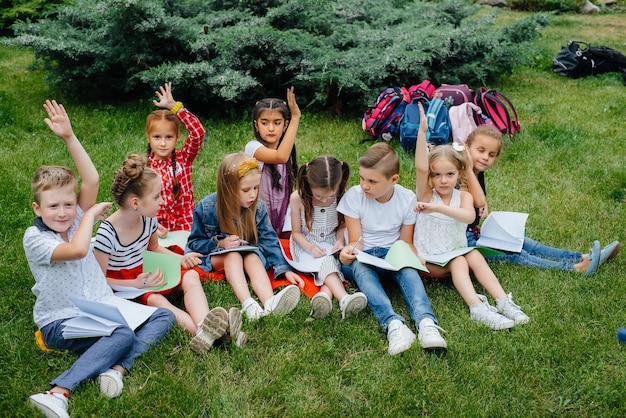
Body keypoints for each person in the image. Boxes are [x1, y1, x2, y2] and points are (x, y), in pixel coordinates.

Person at [25, 100, 175, 418]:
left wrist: (69, 137)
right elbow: (79, 251)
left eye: (69, 204)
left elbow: (90, 179)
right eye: (53, 207)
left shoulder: (74, 217)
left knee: (163, 317)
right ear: (38, 209)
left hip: (101, 307)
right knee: (121, 332)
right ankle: (58, 392)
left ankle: (116, 369)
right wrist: (89, 214)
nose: (64, 212)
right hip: (60, 321)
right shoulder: (36, 238)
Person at [93, 154, 243, 354]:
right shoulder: (107, 233)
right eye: (156, 197)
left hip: (147, 271)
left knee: (190, 276)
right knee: (157, 300)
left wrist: (181, 259)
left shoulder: (148, 220)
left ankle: (206, 322)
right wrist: (136, 284)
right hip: (125, 286)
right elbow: (99, 280)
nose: (162, 201)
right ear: (135, 203)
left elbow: (154, 248)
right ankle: (200, 332)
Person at [413, 103, 529, 330]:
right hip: (430, 262)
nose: (443, 180)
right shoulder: (427, 196)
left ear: (459, 174)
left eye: (449, 174)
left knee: (474, 255)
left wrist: (437, 209)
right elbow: (419, 168)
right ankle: (476, 307)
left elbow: (468, 217)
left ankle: (503, 301)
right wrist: (422, 133)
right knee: (459, 261)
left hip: (455, 254)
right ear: (430, 177)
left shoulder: (463, 196)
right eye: (436, 175)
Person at [337, 142, 447, 355]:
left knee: (407, 269)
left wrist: (414, 257)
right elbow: (355, 240)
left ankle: (426, 323)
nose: (364, 185)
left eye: (372, 181)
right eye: (362, 178)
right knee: (360, 267)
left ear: (393, 179)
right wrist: (347, 253)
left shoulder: (406, 199)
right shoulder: (354, 195)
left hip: (392, 253)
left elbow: (405, 242)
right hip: (363, 257)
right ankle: (394, 325)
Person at [464, 125, 620, 274]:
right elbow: (479, 202)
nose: (485, 157)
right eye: (480, 150)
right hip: (465, 245)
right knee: (515, 254)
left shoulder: (478, 172)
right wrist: (467, 167)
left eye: (491, 155)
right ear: (466, 148)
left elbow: (480, 204)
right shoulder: (460, 175)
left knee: (526, 243)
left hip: (475, 233)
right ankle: (575, 268)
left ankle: (584, 257)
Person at [186, 153, 304, 321]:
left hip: (250, 256)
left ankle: (270, 302)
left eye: (256, 188)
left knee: (251, 256)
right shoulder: (207, 207)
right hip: (219, 258)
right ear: (228, 187)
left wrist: (283, 269)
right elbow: (194, 242)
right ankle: (248, 304)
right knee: (233, 255)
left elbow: (269, 241)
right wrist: (220, 243)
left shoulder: (258, 208)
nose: (253, 195)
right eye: (246, 190)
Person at [289, 156, 368, 319]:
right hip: (306, 245)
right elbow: (296, 233)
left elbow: (342, 225)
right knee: (327, 262)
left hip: (331, 242)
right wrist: (310, 247)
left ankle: (324, 296)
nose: (325, 200)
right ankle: (344, 299)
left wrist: (340, 240)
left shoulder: (342, 196)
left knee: (329, 261)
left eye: (330, 196)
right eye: (318, 196)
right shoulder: (298, 198)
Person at [146, 82, 206, 239]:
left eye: (169, 137)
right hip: (156, 231)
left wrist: (175, 107)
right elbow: (138, 206)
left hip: (185, 227)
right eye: (157, 137)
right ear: (148, 137)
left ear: (177, 137)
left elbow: (198, 133)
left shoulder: (184, 158)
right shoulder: (144, 168)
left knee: (188, 261)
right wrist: (152, 226)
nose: (163, 143)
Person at [244, 87, 300, 238]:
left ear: (285, 125)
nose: (271, 128)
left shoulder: (287, 152)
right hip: (257, 222)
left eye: (277, 123)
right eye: (264, 122)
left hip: (281, 220)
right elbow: (279, 157)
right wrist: (296, 118)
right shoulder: (252, 148)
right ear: (256, 125)